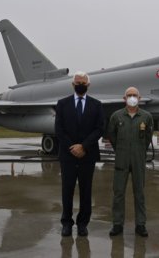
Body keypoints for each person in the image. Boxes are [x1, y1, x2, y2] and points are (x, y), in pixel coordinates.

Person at [55, 71, 104, 237]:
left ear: (88, 85)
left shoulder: (96, 105)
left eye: (83, 82)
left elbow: (99, 129)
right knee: (67, 190)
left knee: (86, 191)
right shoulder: (62, 104)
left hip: (87, 155)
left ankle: (83, 223)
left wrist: (83, 146)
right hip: (68, 156)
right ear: (73, 85)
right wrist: (73, 147)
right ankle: (66, 223)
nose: (80, 85)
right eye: (77, 82)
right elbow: (59, 130)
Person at [107, 87, 153, 237]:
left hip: (139, 160)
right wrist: (121, 150)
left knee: (139, 193)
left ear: (139, 98)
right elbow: (112, 136)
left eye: (134, 95)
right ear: (124, 98)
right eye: (129, 95)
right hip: (121, 159)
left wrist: (139, 151)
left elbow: (147, 138)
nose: (132, 97)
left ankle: (140, 224)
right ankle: (117, 224)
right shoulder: (116, 116)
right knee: (118, 193)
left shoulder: (146, 117)